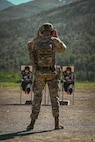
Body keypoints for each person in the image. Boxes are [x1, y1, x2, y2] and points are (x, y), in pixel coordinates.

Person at [27, 23, 67, 130]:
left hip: (39, 74)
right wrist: (57, 37)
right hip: (52, 74)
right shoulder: (54, 40)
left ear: (40, 31)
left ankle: (32, 124)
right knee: (54, 98)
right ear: (52, 31)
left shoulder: (36, 41)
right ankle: (56, 123)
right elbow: (63, 49)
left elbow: (29, 49)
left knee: (37, 98)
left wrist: (36, 37)